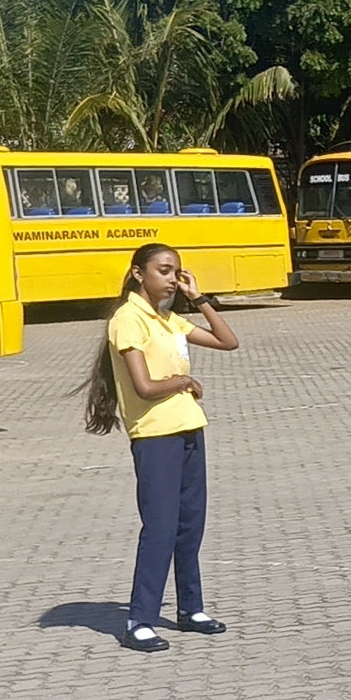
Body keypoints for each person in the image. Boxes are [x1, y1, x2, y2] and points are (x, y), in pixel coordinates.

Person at [79, 243, 238, 653]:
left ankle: (191, 608)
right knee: (160, 529)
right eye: (164, 271)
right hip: (155, 435)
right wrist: (184, 382)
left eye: (177, 272)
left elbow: (228, 341)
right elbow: (144, 387)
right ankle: (139, 619)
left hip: (189, 429)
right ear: (138, 274)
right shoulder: (128, 320)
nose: (172, 278)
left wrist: (198, 298)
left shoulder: (167, 319)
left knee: (190, 525)